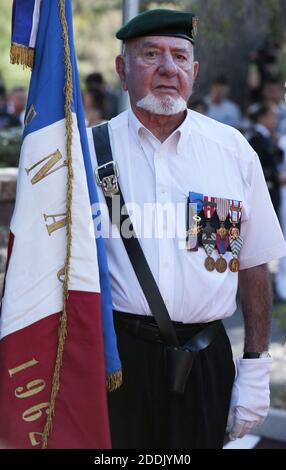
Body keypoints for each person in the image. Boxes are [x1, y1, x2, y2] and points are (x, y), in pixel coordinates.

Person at [87, 9, 286, 449]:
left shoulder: (231, 151)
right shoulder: (89, 150)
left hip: (204, 360)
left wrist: (254, 369)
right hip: (117, 362)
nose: (166, 69)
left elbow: (253, 266)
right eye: (151, 54)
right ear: (122, 69)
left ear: (194, 73)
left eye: (179, 57)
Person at [247, 102, 283, 216]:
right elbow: (259, 166)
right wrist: (275, 176)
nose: (275, 120)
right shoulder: (257, 138)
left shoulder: (268, 137)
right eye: (272, 116)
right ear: (262, 117)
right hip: (266, 188)